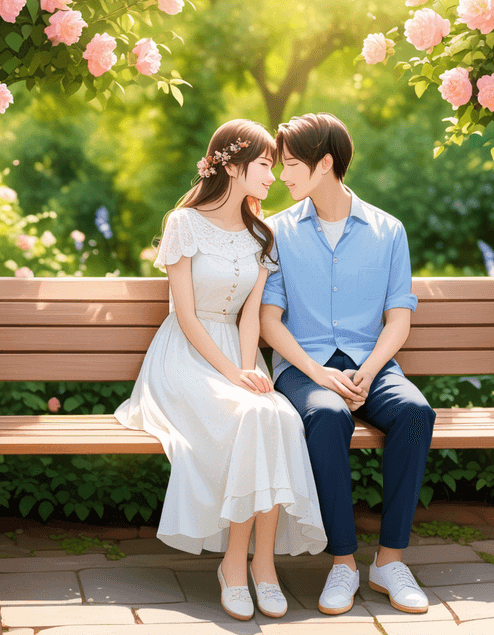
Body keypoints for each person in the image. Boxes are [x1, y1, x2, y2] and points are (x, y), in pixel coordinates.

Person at [114, 119, 326, 622]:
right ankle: (235, 566)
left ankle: (264, 566)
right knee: (254, 416)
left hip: (237, 352)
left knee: (278, 416)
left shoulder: (262, 232)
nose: (272, 177)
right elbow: (185, 316)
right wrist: (232, 373)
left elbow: (251, 314)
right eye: (264, 166)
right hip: (184, 357)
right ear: (232, 166)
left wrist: (251, 367)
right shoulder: (183, 223)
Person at [260, 112, 435, 616]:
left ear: (325, 164)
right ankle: (343, 564)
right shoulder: (276, 232)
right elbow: (271, 323)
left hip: (371, 365)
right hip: (304, 368)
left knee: (415, 414)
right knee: (328, 414)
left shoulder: (388, 231)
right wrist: (321, 376)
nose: (283, 175)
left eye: (291, 164)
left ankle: (389, 561)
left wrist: (367, 371)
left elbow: (398, 320)